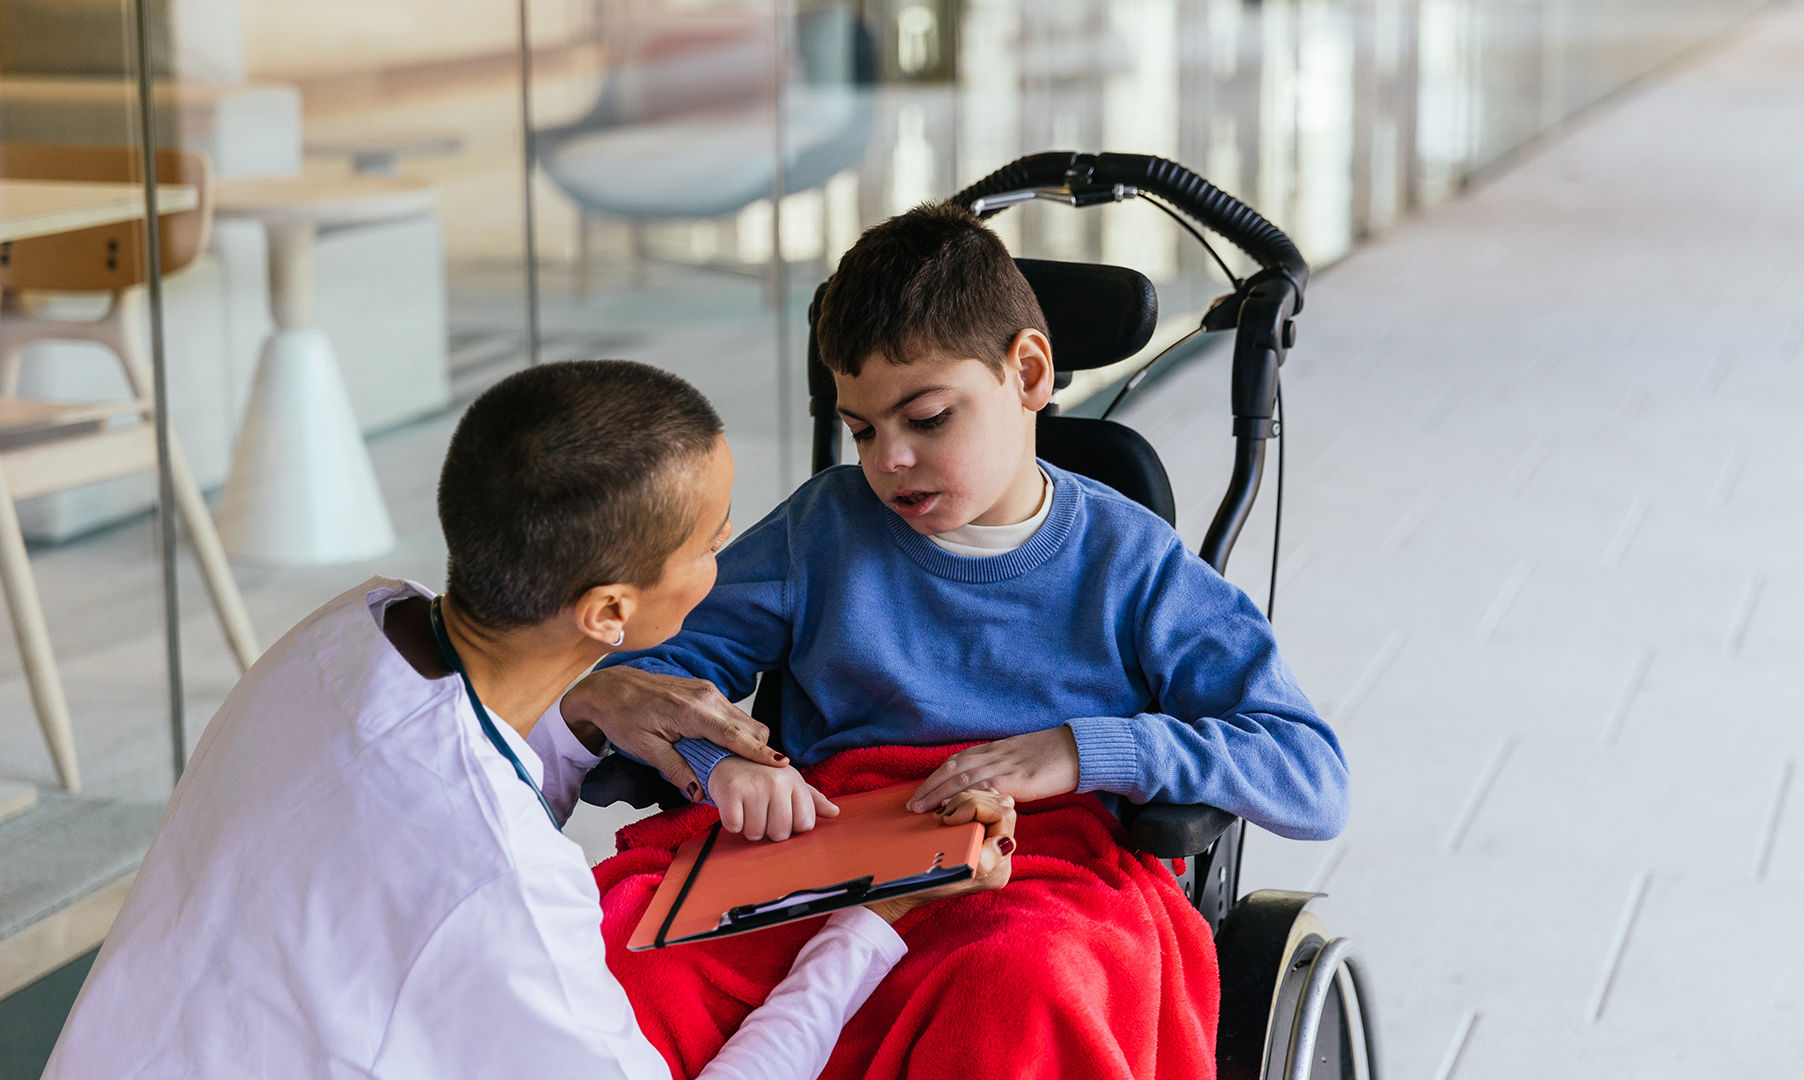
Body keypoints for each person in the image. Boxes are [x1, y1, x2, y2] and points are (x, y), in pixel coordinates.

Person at [42, 361, 1015, 1080]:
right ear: (608, 614)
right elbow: (459, 843)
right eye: (711, 542)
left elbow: (428, 766)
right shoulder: (503, 885)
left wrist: (580, 709)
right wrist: (867, 925)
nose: (728, 551)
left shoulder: (348, 630)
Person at [563, 203, 1348, 1078]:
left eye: (927, 418)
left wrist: (1083, 750)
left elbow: (1309, 775)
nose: (887, 459)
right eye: (863, 429)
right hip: (829, 844)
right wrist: (721, 766)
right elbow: (649, 676)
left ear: (1029, 371)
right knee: (619, 966)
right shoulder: (823, 530)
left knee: (1020, 990)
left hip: (1038, 870)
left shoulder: (1133, 565)